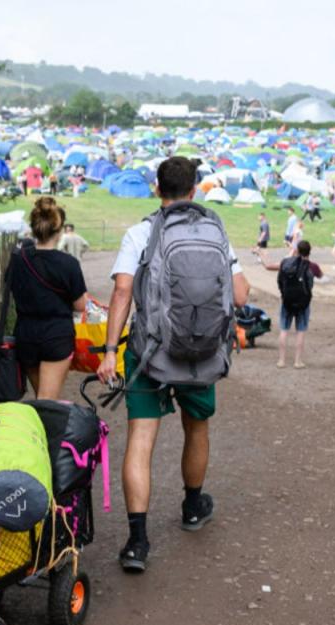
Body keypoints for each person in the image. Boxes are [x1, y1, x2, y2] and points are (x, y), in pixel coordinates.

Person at [96, 156, 250, 572]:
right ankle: (193, 506)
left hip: (149, 353)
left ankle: (138, 541)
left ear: (156, 189)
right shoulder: (215, 230)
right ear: (195, 189)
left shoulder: (140, 232)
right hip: (200, 352)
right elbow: (238, 295)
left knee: (141, 441)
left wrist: (110, 350)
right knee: (196, 428)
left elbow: (123, 293)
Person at [9, 197, 89, 400]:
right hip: (56, 335)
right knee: (47, 402)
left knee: (42, 398)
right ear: (59, 229)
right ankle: (49, 432)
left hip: (26, 334)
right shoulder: (68, 263)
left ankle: (45, 430)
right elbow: (80, 306)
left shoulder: (18, 260)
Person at [257, 240, 323, 369]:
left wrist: (260, 253)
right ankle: (297, 361)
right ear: (310, 251)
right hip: (303, 303)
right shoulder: (312, 266)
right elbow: (320, 275)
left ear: (297, 250)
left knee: (284, 330)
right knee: (300, 332)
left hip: (287, 301)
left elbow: (268, 266)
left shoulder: (286, 263)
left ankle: (281, 361)